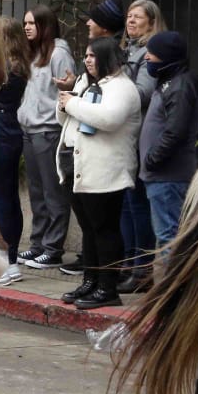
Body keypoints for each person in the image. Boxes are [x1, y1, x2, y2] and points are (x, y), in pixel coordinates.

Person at [57, 37, 143, 309]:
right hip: (77, 165)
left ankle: (108, 287)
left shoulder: (122, 88)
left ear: (107, 57)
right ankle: (90, 281)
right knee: (88, 229)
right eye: (86, 55)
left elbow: (107, 119)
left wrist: (71, 103)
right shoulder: (85, 83)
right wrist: (63, 103)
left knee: (105, 229)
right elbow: (67, 119)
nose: (87, 60)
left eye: (93, 55)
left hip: (105, 170)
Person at [16, 5, 76, 270]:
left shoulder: (59, 53)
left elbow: (67, 89)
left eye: (32, 23)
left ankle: (53, 249)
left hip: (49, 131)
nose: (26, 27)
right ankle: (38, 244)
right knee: (37, 194)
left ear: (45, 26)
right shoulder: (33, 53)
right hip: (29, 131)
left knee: (54, 193)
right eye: (25, 23)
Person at [139, 30, 198, 248]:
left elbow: (175, 130)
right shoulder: (169, 82)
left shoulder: (180, 85)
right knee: (167, 235)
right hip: (160, 175)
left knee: (169, 237)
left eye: (152, 53)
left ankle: (173, 282)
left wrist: (152, 159)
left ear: (166, 56)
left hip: (168, 175)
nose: (147, 57)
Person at [116, 0, 163, 293]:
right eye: (129, 16)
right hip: (123, 135)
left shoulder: (149, 53)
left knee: (137, 205)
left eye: (138, 17)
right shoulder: (126, 50)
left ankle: (142, 268)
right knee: (125, 205)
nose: (131, 21)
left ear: (151, 22)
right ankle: (128, 262)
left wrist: (114, 87)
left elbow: (143, 93)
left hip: (139, 134)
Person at [0, 17, 31, 287]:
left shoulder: (2, 69)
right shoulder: (21, 65)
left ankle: (6, 259)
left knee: (0, 199)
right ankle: (11, 260)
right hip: (11, 133)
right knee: (9, 197)